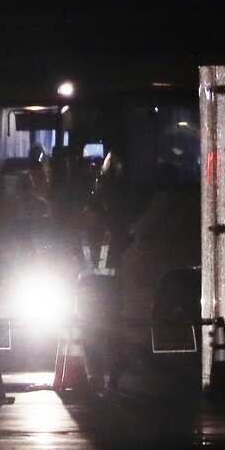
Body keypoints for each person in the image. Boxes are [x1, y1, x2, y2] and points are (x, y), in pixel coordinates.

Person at [77, 150, 133, 390]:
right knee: (100, 333)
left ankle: (105, 373)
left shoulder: (103, 229)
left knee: (102, 334)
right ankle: (103, 374)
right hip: (101, 289)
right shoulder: (108, 229)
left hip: (100, 290)